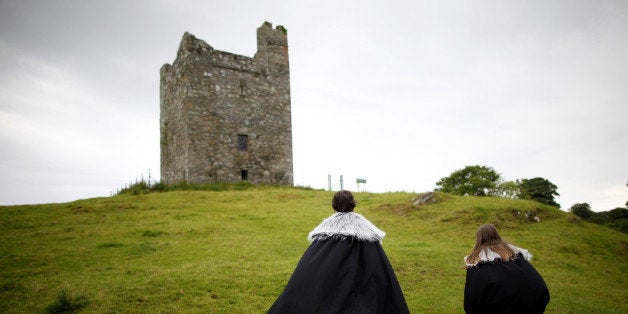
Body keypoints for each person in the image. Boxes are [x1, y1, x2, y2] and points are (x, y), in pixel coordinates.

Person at [268, 190, 410, 313]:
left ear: (333, 205)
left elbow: (309, 276)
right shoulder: (368, 236)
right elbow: (380, 275)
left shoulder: (324, 237)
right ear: (353, 204)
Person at [463, 224, 550, 313]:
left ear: (479, 240)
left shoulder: (477, 266)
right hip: (533, 304)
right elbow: (540, 288)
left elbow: (471, 303)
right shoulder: (518, 258)